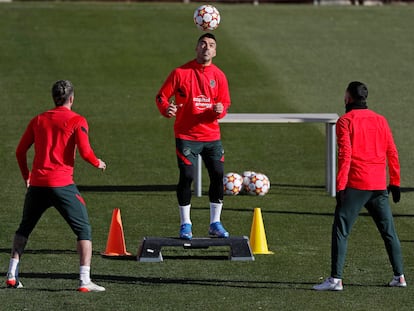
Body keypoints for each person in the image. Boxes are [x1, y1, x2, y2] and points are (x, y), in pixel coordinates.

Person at [6, 80, 107, 292]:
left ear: (54, 98)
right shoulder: (77, 120)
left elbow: (20, 151)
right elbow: (85, 152)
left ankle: (12, 274)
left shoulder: (39, 120)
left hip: (37, 185)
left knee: (24, 228)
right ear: (71, 98)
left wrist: (27, 176)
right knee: (84, 229)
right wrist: (98, 162)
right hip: (62, 185)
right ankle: (84, 280)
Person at [313, 81, 406, 291]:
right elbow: (392, 151)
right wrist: (395, 182)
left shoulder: (346, 121)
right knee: (389, 231)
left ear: (348, 98)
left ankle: (335, 279)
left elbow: (345, 155)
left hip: (356, 184)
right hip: (378, 185)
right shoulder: (381, 120)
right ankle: (399, 276)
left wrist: (340, 186)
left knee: (341, 229)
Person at [156, 33, 231, 240]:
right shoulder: (180, 73)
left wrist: (220, 109)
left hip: (211, 136)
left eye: (211, 45)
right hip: (186, 135)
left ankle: (215, 223)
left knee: (217, 174)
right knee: (187, 176)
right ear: (196, 48)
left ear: (215, 51)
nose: (207, 48)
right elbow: (162, 96)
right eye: (203, 44)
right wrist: (166, 109)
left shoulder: (219, 76)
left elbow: (225, 103)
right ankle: (186, 224)